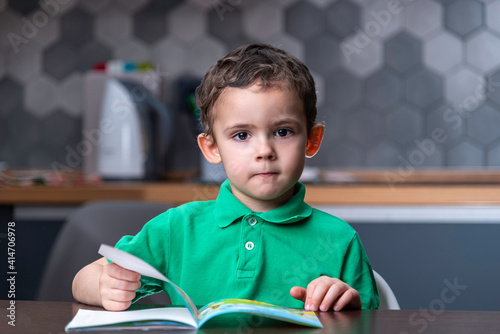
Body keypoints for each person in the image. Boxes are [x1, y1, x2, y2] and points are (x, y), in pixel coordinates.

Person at [72, 43, 379, 312]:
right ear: (212, 148)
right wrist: (103, 287)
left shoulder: (340, 241)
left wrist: (346, 305)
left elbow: (371, 320)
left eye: (283, 132)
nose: (264, 151)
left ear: (311, 140)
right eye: (242, 135)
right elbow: (83, 279)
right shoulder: (177, 229)